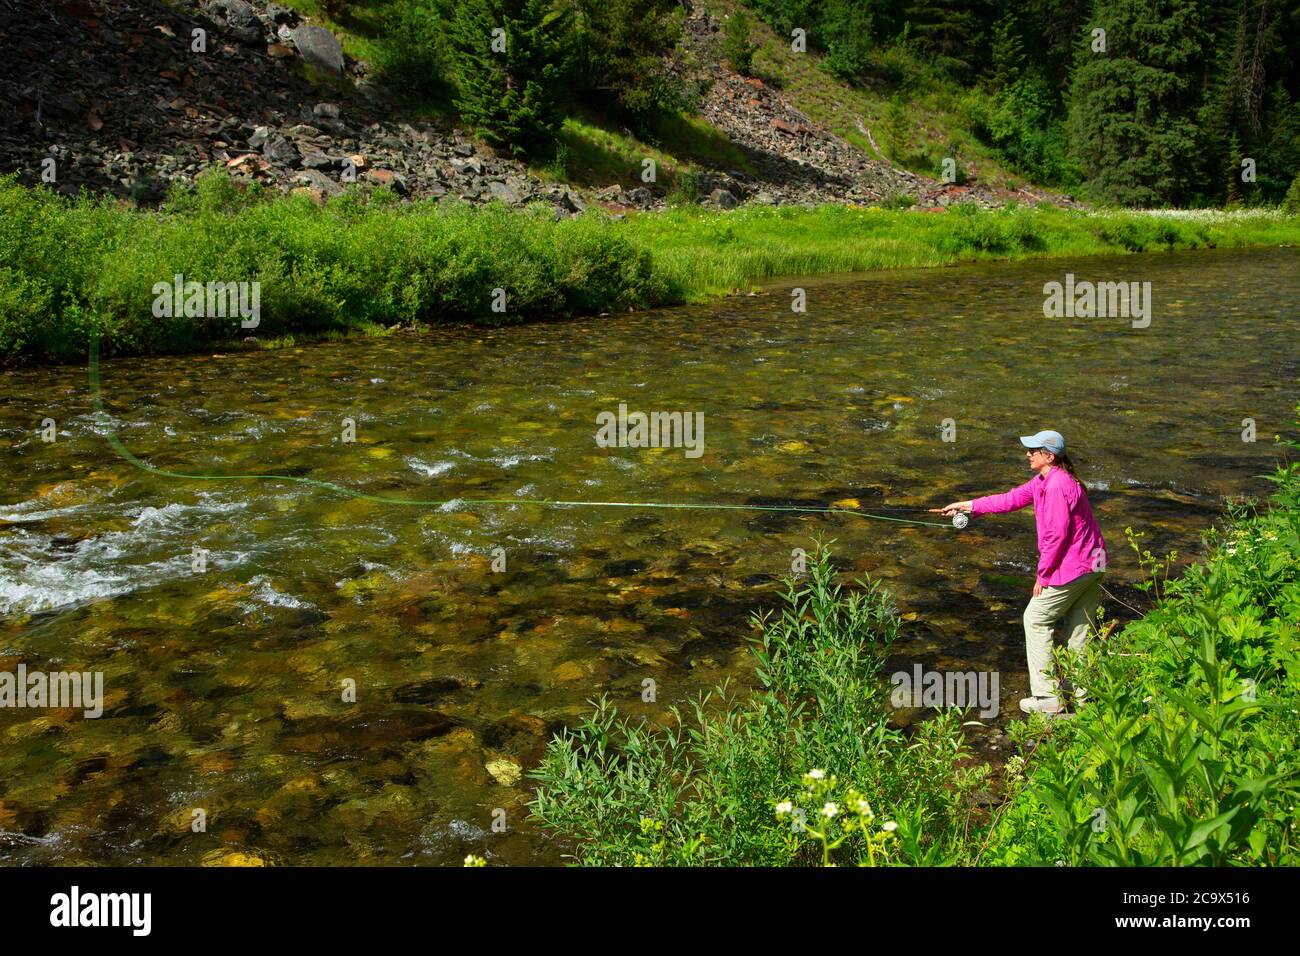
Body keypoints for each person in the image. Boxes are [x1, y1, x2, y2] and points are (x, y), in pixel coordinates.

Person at [936, 430, 1107, 715]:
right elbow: (1011, 499)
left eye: (1033, 450)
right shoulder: (1048, 479)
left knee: (1035, 619)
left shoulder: (1055, 487)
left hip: (1075, 567)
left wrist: (1043, 575)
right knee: (1079, 629)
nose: (1028, 454)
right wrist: (969, 506)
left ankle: (1047, 699)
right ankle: (1084, 696)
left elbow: (1056, 536)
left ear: (1049, 456)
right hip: (1095, 564)